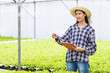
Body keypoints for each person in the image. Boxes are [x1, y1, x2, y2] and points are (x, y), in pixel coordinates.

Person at [52, 6, 97, 73]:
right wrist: (57, 37)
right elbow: (63, 39)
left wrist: (82, 49)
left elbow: (93, 47)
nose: (77, 16)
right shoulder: (72, 28)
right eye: (76, 14)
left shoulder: (90, 30)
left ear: (85, 15)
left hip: (82, 58)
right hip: (70, 57)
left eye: (79, 14)